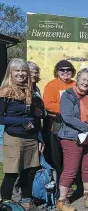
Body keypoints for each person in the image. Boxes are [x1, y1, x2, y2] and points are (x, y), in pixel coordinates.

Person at [56, 68, 88, 211]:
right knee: (71, 169)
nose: (86, 82)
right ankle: (62, 200)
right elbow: (68, 117)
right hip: (71, 137)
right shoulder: (68, 95)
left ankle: (87, 195)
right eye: (83, 79)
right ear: (77, 80)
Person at [0, 59, 44, 210]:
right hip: (14, 138)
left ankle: (26, 201)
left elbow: (36, 118)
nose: (20, 74)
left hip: (31, 137)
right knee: (12, 173)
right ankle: (5, 204)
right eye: (16, 71)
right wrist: (21, 121)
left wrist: (40, 138)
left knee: (30, 171)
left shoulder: (30, 90)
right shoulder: (5, 91)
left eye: (23, 70)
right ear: (10, 73)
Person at [43, 60, 76, 181]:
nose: (65, 71)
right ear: (57, 72)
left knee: (71, 152)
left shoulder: (75, 84)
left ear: (72, 71)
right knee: (56, 153)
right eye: (62, 69)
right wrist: (67, 110)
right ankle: (59, 177)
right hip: (57, 123)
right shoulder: (51, 85)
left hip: (73, 124)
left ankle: (70, 178)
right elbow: (48, 104)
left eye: (68, 69)